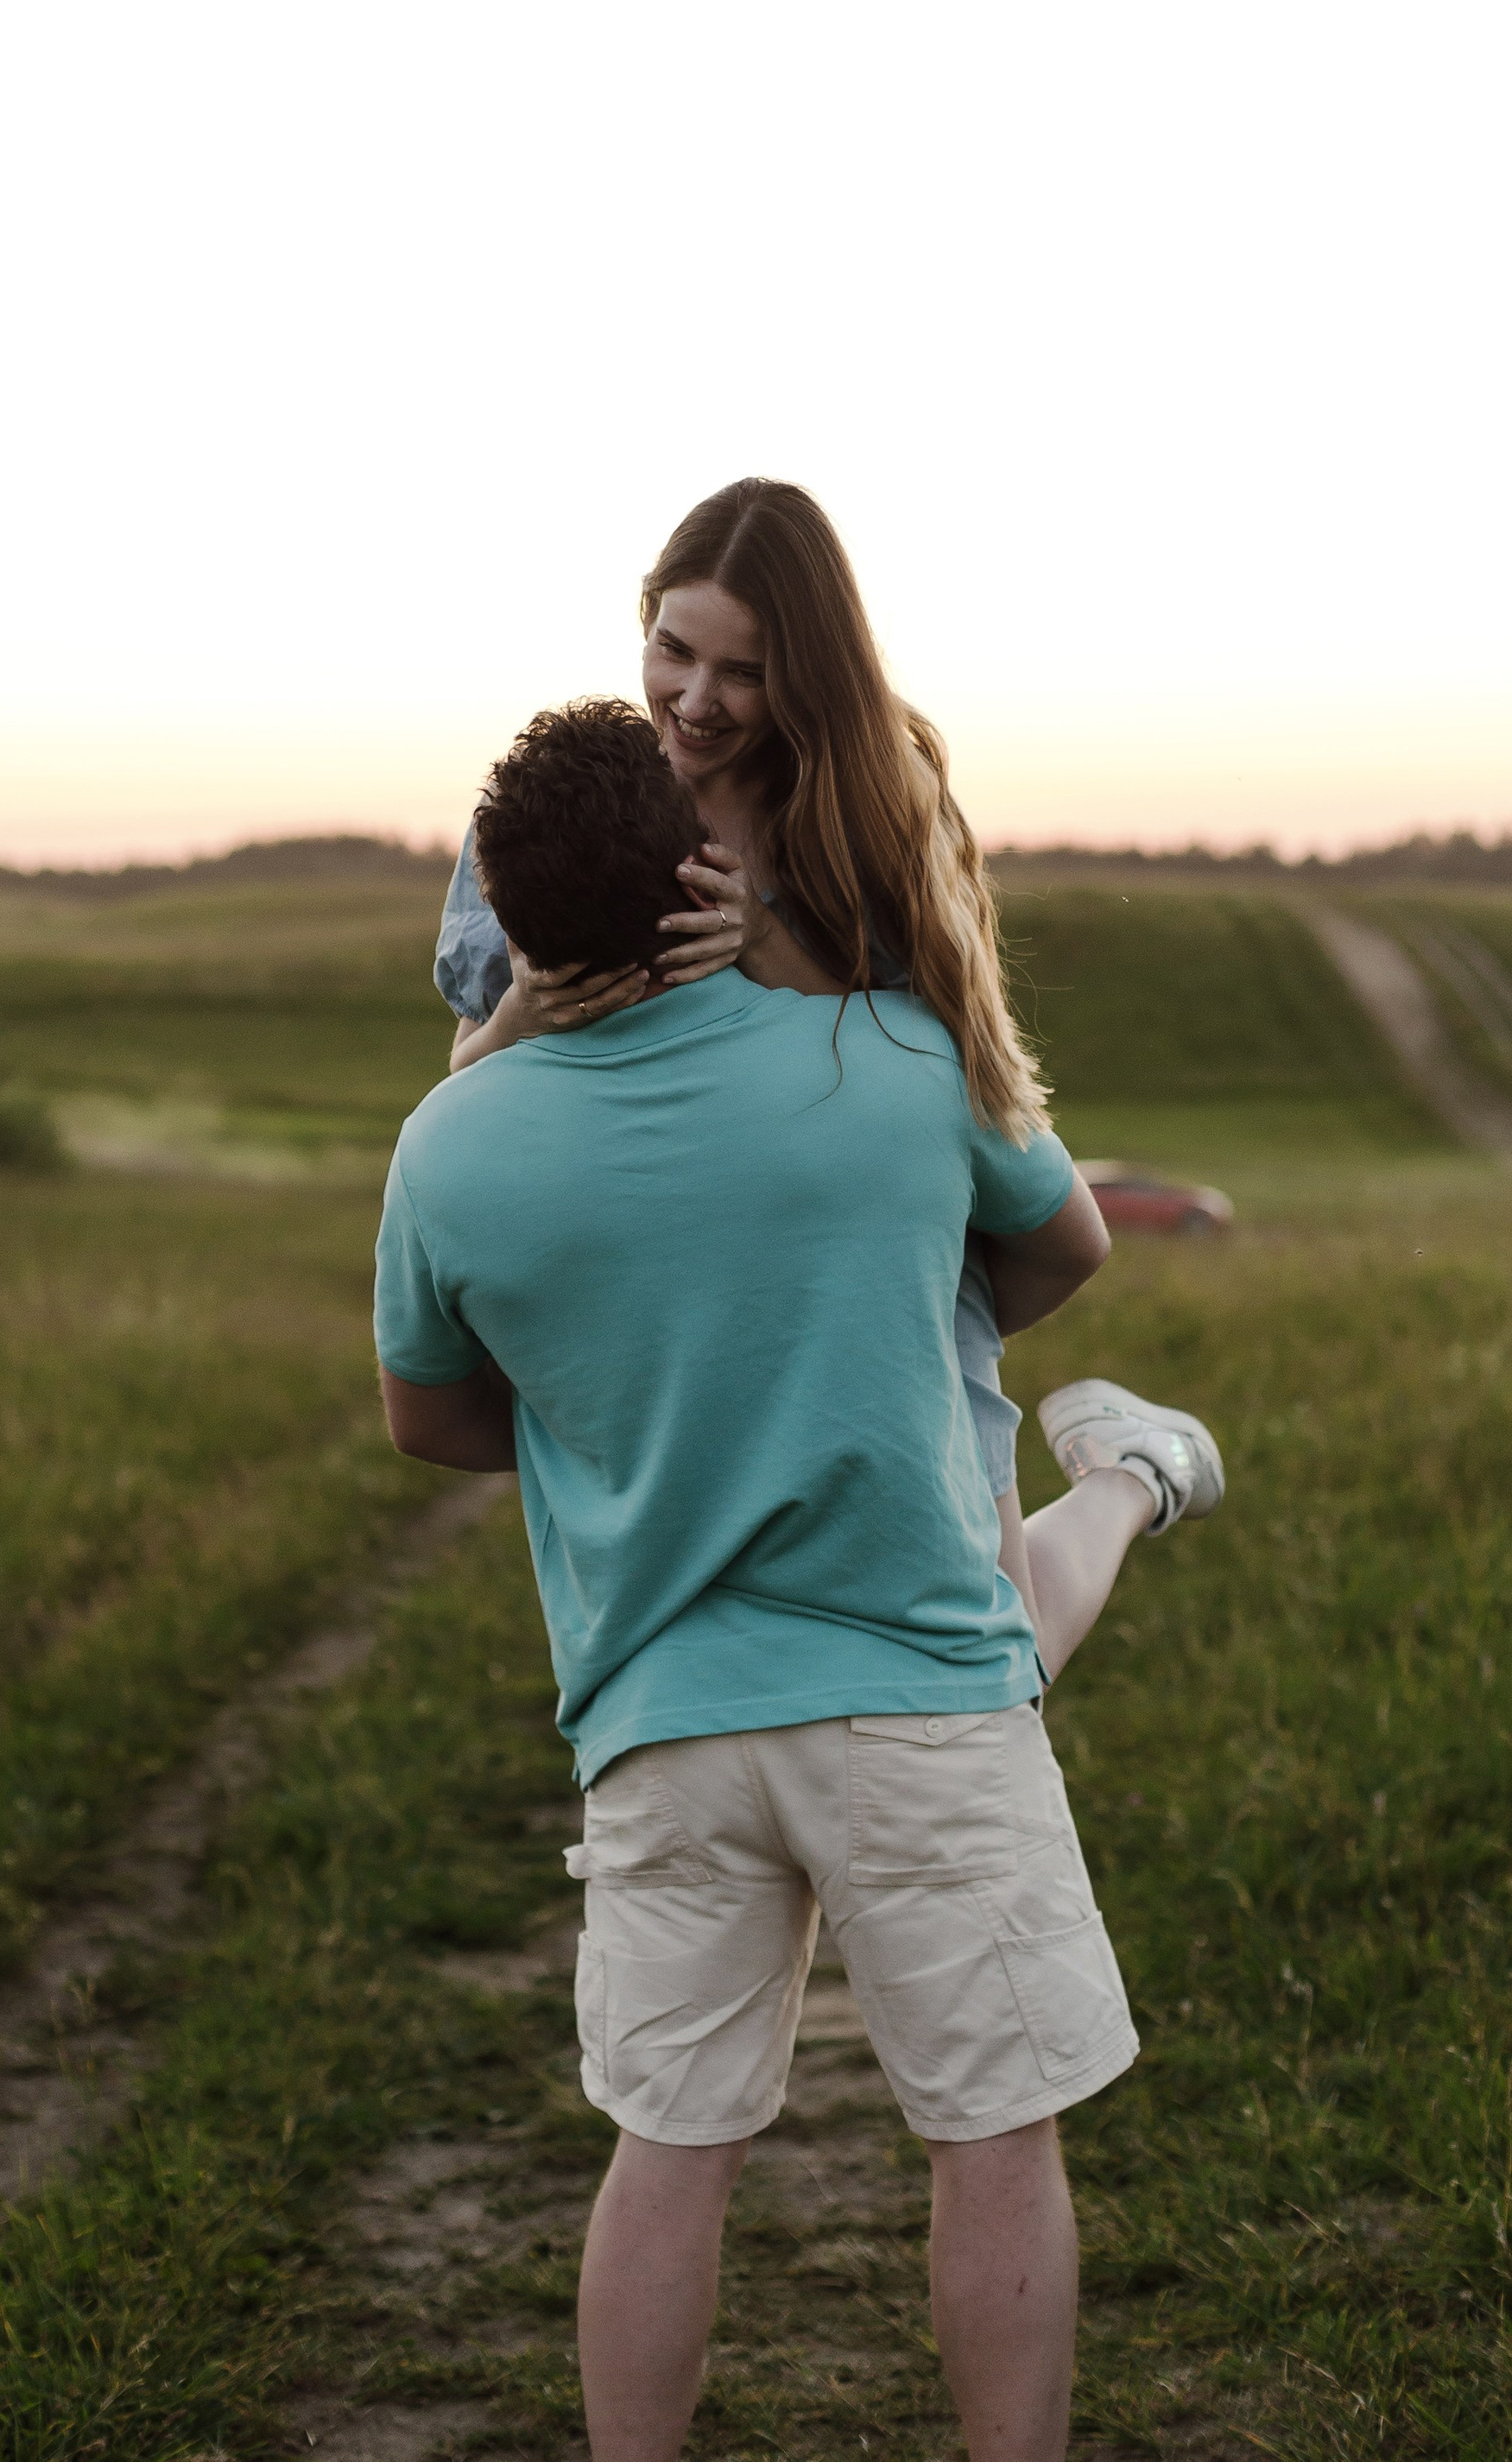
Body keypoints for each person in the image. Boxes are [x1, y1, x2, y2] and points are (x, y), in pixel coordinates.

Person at [376, 699, 1157, 2462]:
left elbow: (430, 1424)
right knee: (991, 2137)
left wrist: (637, 1425)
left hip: (657, 1719)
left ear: (508, 908)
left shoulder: (450, 1145)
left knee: (671, 2148)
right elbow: (1059, 1247)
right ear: (701, 876)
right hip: (923, 1707)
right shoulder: (884, 1055)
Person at [430, 476, 1224, 1678]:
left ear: (805, 672)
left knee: (996, 1655)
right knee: (774, 1677)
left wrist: (766, 945)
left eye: (741, 672)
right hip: (675, 1270)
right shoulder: (569, 805)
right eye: (673, 649)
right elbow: (466, 1074)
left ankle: (1127, 1476)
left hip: (869, 1244)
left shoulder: (863, 811)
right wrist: (528, 1015)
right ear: (642, 623)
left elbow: (934, 1048)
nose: (695, 700)